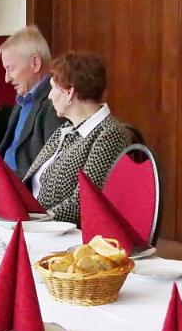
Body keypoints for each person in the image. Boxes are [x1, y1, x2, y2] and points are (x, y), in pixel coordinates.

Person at [23, 51, 130, 225]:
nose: (49, 96)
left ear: (69, 92)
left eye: (53, 88)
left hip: (64, 231)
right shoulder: (66, 129)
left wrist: (35, 219)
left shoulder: (110, 134)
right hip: (39, 224)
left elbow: (84, 202)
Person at [0, 25, 62, 176]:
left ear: (35, 63)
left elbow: (49, 171)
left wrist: (3, 180)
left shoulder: (55, 104)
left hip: (20, 187)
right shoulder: (22, 100)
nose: (6, 79)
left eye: (11, 68)